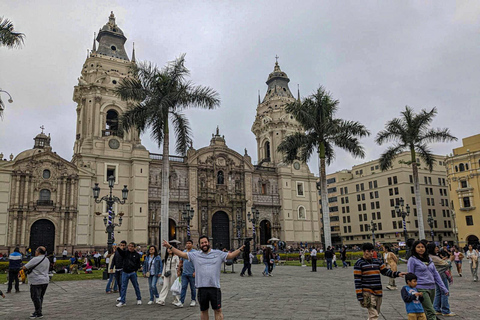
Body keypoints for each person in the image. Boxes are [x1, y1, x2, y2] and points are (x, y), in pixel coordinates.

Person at [162, 236, 244, 320]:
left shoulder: (218, 253)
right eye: (202, 243)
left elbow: (230, 256)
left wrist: (240, 249)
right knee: (204, 310)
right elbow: (181, 254)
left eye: (205, 242)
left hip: (214, 287)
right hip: (202, 288)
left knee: (218, 310)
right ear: (199, 245)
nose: (204, 244)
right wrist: (169, 246)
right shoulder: (195, 255)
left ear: (209, 243)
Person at [354, 242, 406, 320]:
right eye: (368, 251)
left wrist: (397, 274)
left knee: (376, 313)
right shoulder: (359, 263)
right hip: (367, 292)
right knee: (374, 315)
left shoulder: (377, 261)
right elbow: (357, 280)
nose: (371, 253)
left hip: (378, 291)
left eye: (372, 251)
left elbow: (385, 271)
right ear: (364, 251)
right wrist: (359, 296)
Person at [407, 241, 449, 320]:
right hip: (421, 288)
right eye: (418, 247)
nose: (421, 249)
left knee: (426, 310)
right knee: (431, 311)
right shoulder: (412, 259)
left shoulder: (429, 259)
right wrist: (411, 289)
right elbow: (410, 275)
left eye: (422, 247)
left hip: (432, 287)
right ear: (414, 248)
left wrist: (443, 288)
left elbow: (435, 274)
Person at [427, 243, 456, 317]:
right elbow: (446, 264)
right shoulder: (434, 257)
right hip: (441, 275)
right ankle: (445, 310)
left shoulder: (430, 256)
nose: (437, 249)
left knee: (438, 292)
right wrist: (451, 259)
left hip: (436, 275)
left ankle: (436, 309)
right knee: (445, 292)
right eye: (436, 248)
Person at [22, 246, 50, 319]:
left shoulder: (35, 259)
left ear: (38, 252)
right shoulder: (46, 259)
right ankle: (38, 311)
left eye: (36, 250)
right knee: (40, 297)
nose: (35, 251)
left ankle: (38, 313)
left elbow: (25, 267)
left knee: (35, 297)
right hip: (45, 281)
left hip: (36, 281)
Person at [116, 242, 142, 307]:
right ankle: (122, 301)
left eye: (132, 246)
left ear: (134, 247)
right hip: (125, 272)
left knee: (136, 286)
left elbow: (138, 264)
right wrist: (118, 248)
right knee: (123, 287)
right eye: (129, 246)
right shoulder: (125, 253)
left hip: (132, 272)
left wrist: (135, 269)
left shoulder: (136, 255)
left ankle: (139, 298)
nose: (130, 247)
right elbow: (121, 252)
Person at [175, 240, 197, 307]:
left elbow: (197, 263)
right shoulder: (183, 252)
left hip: (192, 273)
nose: (188, 244)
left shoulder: (195, 252)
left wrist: (195, 271)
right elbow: (181, 262)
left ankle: (193, 300)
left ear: (192, 245)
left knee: (193, 287)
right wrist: (178, 270)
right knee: (183, 287)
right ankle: (181, 301)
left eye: (189, 243)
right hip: (184, 273)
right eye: (187, 243)